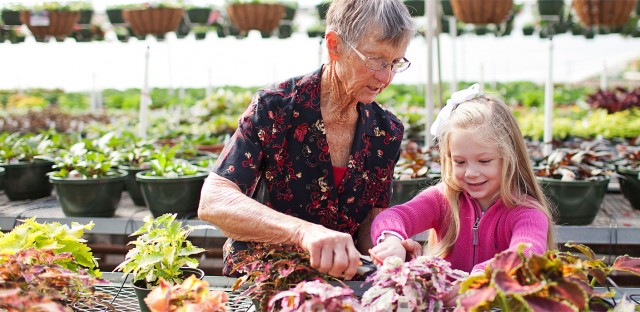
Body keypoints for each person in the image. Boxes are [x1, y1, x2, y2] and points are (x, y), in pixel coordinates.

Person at [198, 0, 414, 280]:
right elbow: (213, 200)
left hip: (339, 277)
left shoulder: (387, 131)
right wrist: (303, 232)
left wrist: (389, 247)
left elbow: (367, 226)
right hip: (268, 274)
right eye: (375, 60)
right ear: (335, 46)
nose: (386, 77)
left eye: (395, 63)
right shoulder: (275, 107)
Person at [369, 84, 556, 302]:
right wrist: (392, 241)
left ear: (510, 157)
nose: (471, 173)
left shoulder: (527, 213)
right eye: (459, 162)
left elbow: (525, 255)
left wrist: (477, 282)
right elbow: (394, 216)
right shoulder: (442, 199)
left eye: (484, 161)